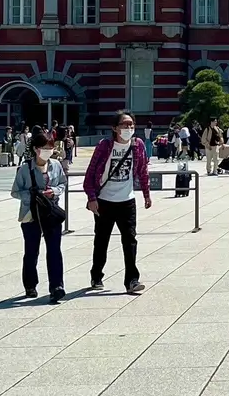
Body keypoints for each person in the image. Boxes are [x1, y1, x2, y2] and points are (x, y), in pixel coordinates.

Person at [83, 111, 151, 294]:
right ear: (114, 128)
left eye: (131, 125)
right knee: (101, 240)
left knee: (130, 240)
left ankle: (132, 280)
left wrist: (146, 193)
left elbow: (143, 170)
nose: (128, 128)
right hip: (104, 200)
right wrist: (91, 198)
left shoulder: (137, 145)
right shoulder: (105, 146)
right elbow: (90, 175)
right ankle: (96, 275)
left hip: (127, 200)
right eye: (124, 125)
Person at [12, 130, 67, 302]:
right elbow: (15, 192)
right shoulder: (24, 169)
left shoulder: (56, 165)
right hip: (31, 214)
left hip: (50, 212)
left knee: (54, 251)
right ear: (36, 149)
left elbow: (63, 183)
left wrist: (54, 191)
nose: (48, 150)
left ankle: (57, 286)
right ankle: (30, 285)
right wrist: (34, 195)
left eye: (51, 147)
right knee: (31, 251)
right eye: (45, 147)